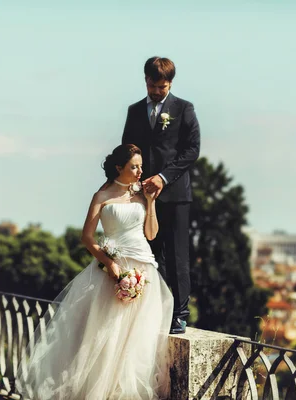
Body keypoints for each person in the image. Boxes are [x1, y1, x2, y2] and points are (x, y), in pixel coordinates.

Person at [16, 144, 173, 400]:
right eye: (134, 167)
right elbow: (87, 238)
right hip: (113, 270)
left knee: (136, 341)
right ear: (118, 168)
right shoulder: (101, 196)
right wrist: (109, 264)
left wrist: (152, 202)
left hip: (144, 269)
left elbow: (151, 234)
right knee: (107, 336)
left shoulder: (142, 194)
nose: (139, 171)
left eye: (140, 166)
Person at [122, 56, 200, 334]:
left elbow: (192, 150)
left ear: (170, 84)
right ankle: (153, 309)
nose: (157, 92)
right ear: (146, 80)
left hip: (176, 194)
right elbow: (127, 150)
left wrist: (163, 177)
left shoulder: (184, 108)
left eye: (163, 87)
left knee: (178, 255)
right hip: (143, 195)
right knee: (150, 255)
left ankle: (179, 313)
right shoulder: (134, 111)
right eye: (153, 86)